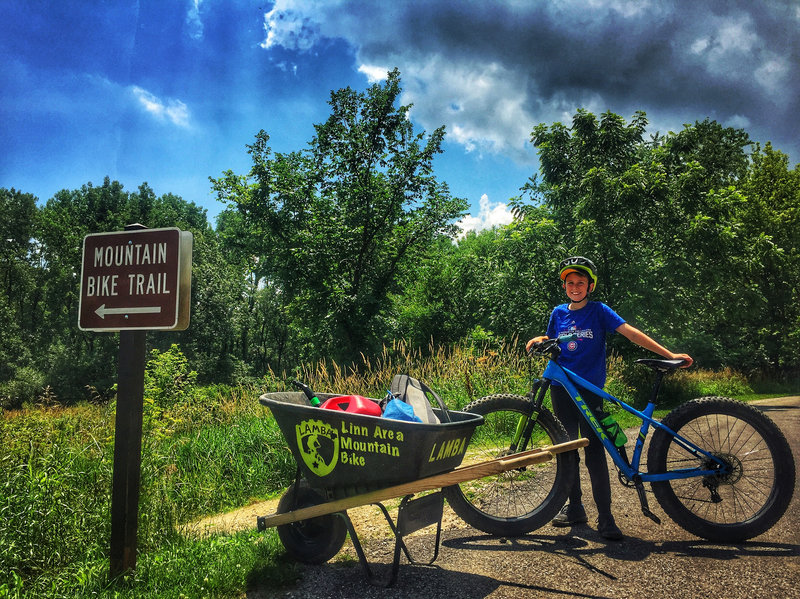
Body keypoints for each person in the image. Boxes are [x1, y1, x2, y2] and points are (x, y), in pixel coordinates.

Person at [526, 256, 692, 540]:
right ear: (564, 286)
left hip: (589, 390)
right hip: (560, 388)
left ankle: (606, 517)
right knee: (567, 451)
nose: (575, 286)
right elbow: (554, 339)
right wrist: (540, 338)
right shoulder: (558, 313)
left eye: (580, 282)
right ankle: (575, 507)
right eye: (570, 282)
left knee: (594, 451)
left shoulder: (599, 310)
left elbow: (629, 332)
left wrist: (668, 355)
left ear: (590, 286)